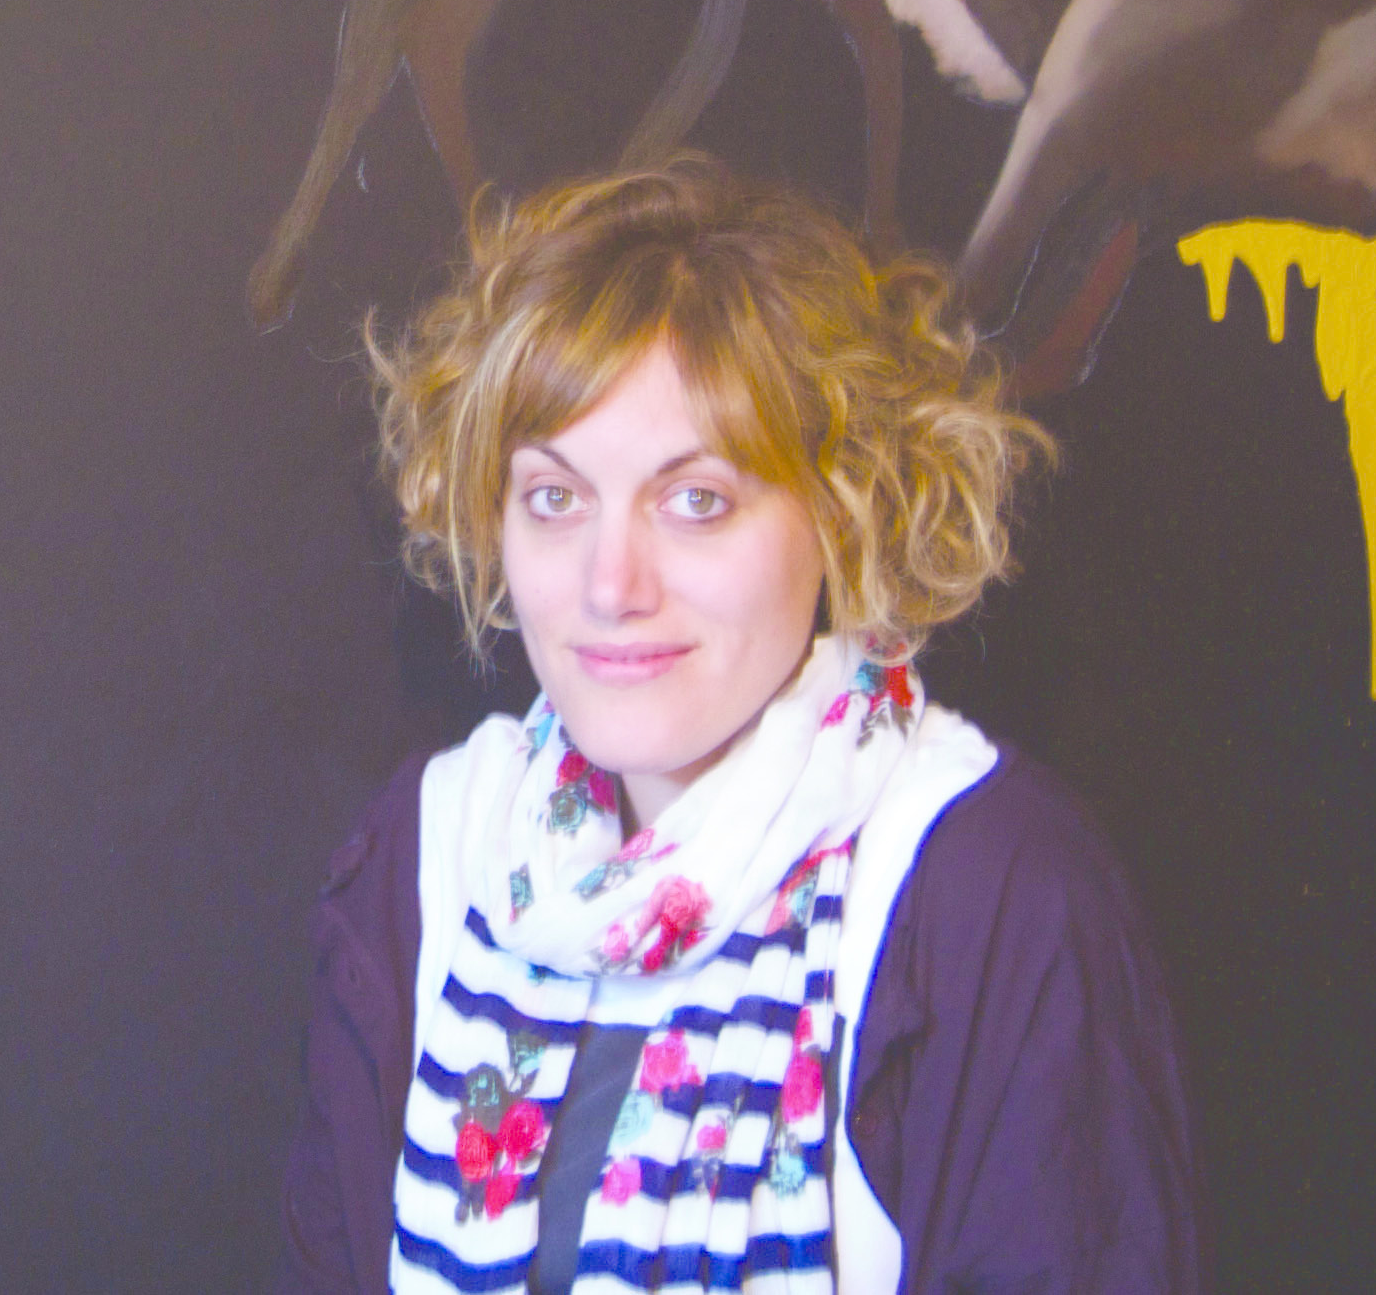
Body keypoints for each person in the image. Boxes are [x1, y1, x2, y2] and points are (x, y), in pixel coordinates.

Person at [277, 160, 1202, 1295]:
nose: (610, 585)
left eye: (696, 500)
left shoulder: (994, 896)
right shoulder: (422, 867)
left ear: (843, 507)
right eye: (556, 498)